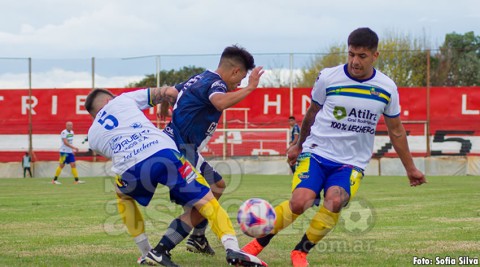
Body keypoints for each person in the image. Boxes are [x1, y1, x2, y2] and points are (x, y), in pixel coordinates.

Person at [242, 27, 427, 267]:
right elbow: (311, 113)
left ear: (375, 56)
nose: (354, 61)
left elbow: (396, 130)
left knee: (335, 201)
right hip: (317, 152)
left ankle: (300, 253)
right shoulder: (329, 77)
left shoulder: (387, 88)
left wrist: (410, 168)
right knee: (300, 201)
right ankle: (256, 245)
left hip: (351, 162)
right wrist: (298, 145)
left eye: (361, 56)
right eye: (351, 54)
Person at [84, 87, 267, 267]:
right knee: (206, 200)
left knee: (122, 194)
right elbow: (169, 91)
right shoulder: (122, 99)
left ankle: (147, 251)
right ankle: (232, 248)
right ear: (109, 100)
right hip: (163, 152)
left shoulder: (92, 136)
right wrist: (166, 103)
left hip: (130, 168)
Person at [121, 45, 264, 264]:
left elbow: (169, 92)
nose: (240, 84)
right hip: (181, 149)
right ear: (235, 71)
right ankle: (163, 248)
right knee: (209, 195)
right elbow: (219, 102)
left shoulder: (198, 78)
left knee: (214, 189)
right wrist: (250, 89)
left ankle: (196, 237)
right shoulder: (217, 84)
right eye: (242, 78)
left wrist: (162, 109)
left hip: (176, 145)